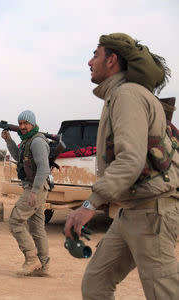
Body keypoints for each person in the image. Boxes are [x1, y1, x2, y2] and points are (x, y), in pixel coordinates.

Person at [64, 33, 178, 300]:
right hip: (131, 210)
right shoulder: (116, 96)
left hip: (153, 212)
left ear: (112, 60)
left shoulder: (127, 95)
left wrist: (89, 206)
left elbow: (131, 160)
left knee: (164, 292)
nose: (89, 62)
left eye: (96, 55)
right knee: (96, 283)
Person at [1, 110, 51, 276]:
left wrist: (34, 192)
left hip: (36, 188)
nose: (22, 126)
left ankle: (31, 259)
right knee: (37, 228)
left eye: (25, 123)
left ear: (33, 123)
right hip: (36, 187)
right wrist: (9, 140)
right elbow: (18, 156)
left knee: (15, 221)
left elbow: (44, 168)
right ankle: (43, 266)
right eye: (20, 123)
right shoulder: (27, 141)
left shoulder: (37, 142)